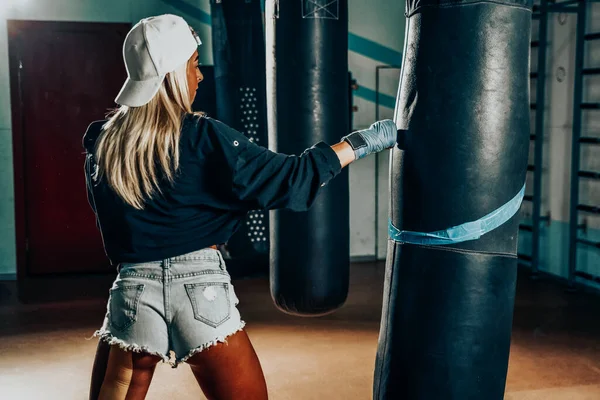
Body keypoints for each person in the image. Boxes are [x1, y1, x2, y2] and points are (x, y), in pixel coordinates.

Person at [84, 14, 397, 400]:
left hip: (133, 292)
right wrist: (363, 141)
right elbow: (290, 177)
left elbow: (112, 228)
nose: (199, 77)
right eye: (194, 66)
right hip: (200, 293)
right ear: (172, 76)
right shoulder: (203, 137)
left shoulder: (103, 144)